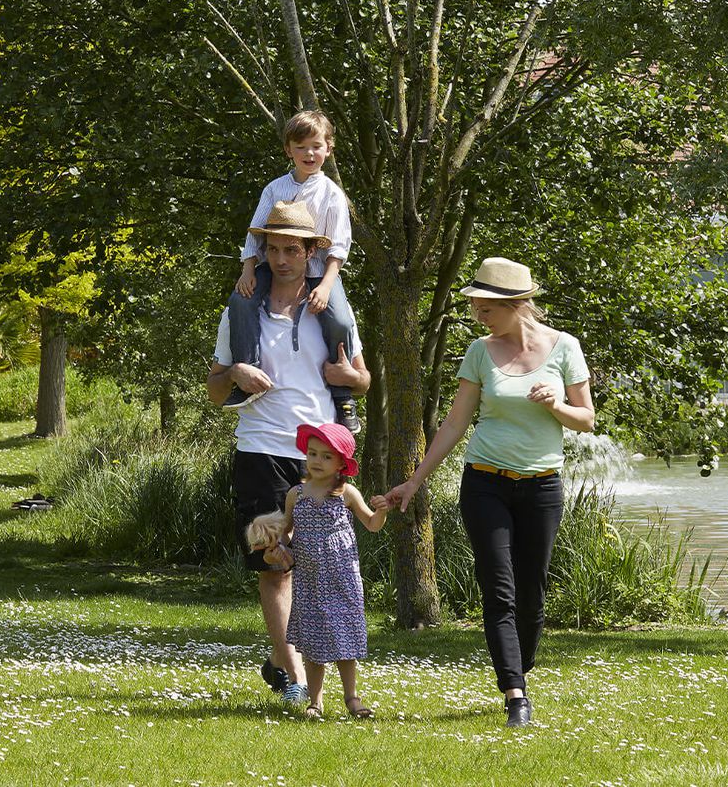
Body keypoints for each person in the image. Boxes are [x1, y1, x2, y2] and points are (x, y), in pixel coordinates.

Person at [377, 257, 594, 728]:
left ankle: (519, 665)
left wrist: (556, 404)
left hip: (542, 487)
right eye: (476, 305)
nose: (478, 313)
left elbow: (586, 419)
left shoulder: (565, 348)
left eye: (486, 306)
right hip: (484, 482)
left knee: (532, 594)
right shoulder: (479, 351)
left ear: (517, 304)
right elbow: (456, 421)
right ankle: (515, 693)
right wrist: (416, 479)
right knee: (498, 589)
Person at [207, 220, 370, 707]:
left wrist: (350, 378)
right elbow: (216, 392)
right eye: (273, 249)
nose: (281, 259)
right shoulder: (241, 312)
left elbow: (362, 381)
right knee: (274, 563)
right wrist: (234, 371)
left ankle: (287, 660)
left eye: (292, 250)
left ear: (311, 253)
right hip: (259, 449)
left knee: (321, 566)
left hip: (318, 457)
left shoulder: (332, 312)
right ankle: (295, 672)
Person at [223, 110, 360, 434]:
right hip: (275, 263)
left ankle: (343, 397)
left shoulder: (331, 195)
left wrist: (326, 286)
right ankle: (249, 374)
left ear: (328, 148)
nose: (309, 154)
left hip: (320, 270)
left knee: (338, 318)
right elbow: (256, 231)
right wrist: (248, 270)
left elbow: (339, 246)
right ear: (288, 150)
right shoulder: (275, 189)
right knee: (240, 303)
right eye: (300, 147)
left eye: (316, 146)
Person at [276, 422, 388, 719]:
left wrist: (382, 511)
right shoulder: (295, 495)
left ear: (342, 463)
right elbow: (287, 532)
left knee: (344, 641)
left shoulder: (346, 493)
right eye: (312, 454)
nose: (316, 461)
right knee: (313, 644)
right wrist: (278, 545)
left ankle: (352, 697)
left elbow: (372, 525)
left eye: (326, 456)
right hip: (309, 581)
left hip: (342, 580)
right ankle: (316, 701)